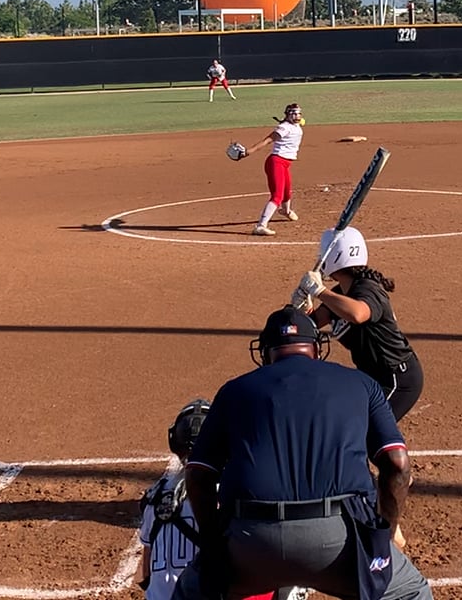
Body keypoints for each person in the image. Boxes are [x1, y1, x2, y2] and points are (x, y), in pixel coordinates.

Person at [170, 307, 434, 600]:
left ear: (265, 351)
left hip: (253, 542)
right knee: (412, 591)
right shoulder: (362, 384)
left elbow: (198, 474)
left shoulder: (233, 391)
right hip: (340, 542)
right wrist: (383, 537)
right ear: (316, 348)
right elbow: (397, 464)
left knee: (190, 592)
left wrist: (213, 546)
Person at [298, 228, 425, 423]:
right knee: (348, 425)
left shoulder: (368, 289)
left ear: (336, 257)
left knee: (367, 430)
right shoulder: (340, 293)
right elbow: (310, 325)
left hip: (396, 379)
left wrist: (320, 291)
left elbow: (357, 314)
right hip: (370, 377)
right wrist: (300, 307)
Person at [234, 104, 303, 236]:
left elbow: (298, 122)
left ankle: (285, 211)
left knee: (287, 192)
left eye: (299, 113)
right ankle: (261, 226)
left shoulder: (295, 125)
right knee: (277, 196)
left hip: (285, 164)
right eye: (294, 114)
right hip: (276, 163)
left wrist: (292, 119)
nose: (297, 116)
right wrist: (248, 152)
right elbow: (267, 141)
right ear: (288, 115)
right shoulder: (284, 128)